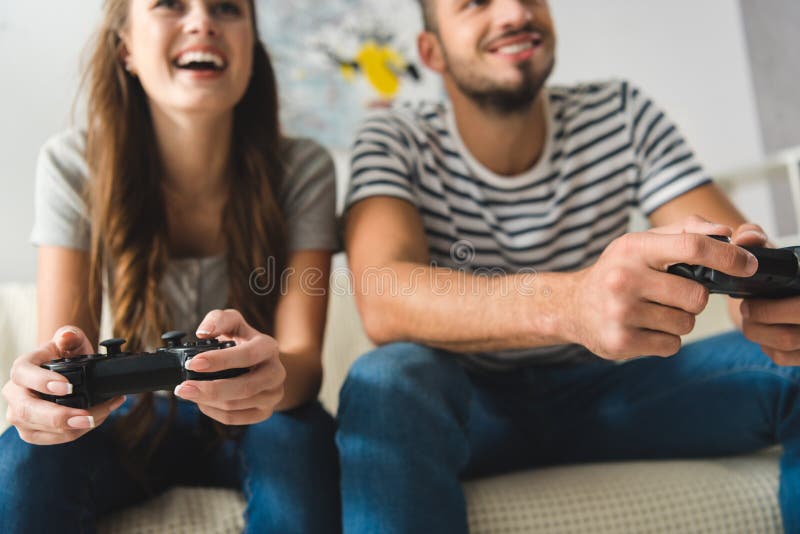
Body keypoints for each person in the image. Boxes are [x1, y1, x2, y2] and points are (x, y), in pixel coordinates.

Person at [337, 0, 800, 532]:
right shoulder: (391, 139)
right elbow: (383, 296)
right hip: (465, 409)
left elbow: (738, 259)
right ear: (431, 51)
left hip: (610, 392)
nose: (514, 13)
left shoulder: (621, 112)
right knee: (386, 378)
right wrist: (571, 304)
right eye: (475, 3)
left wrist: (768, 305)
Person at [0, 1, 341, 532]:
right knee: (25, 457)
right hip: (129, 418)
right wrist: (43, 400)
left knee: (300, 439)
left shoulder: (304, 169)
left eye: (227, 8)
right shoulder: (73, 165)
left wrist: (270, 375)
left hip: (261, 415)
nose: (203, 21)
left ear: (252, 46)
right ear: (126, 48)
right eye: (170, 5)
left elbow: (303, 366)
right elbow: (66, 354)